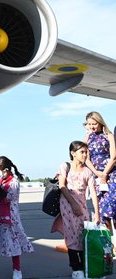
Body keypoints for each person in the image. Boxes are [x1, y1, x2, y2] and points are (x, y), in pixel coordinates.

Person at [0, 156, 34, 279]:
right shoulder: (2, 181)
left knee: (14, 244)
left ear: (5, 170)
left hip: (10, 218)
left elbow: (7, 198)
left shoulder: (13, 183)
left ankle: (17, 270)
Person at [53, 141, 100, 279]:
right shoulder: (65, 167)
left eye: (86, 152)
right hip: (68, 205)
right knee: (71, 236)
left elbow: (93, 193)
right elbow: (62, 186)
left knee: (84, 235)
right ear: (73, 153)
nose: (85, 154)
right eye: (82, 152)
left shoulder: (88, 172)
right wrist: (73, 204)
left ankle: (85, 265)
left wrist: (97, 214)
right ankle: (76, 267)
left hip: (82, 206)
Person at [83, 112, 116, 246]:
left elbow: (114, 156)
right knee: (102, 211)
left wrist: (105, 173)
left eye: (94, 124)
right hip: (96, 176)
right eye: (89, 124)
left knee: (112, 208)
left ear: (100, 122)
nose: (92, 127)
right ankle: (107, 244)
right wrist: (97, 173)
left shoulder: (109, 136)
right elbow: (85, 157)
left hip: (111, 175)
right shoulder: (87, 138)